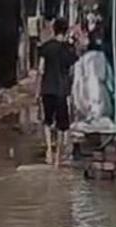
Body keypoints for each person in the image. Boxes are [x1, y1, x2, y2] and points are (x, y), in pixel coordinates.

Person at [37, 18, 78, 167]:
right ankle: (58, 156)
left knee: (47, 121)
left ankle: (49, 150)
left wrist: (37, 90)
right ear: (66, 30)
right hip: (62, 91)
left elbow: (41, 70)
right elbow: (73, 72)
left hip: (47, 89)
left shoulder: (45, 47)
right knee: (62, 125)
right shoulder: (69, 50)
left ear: (54, 29)